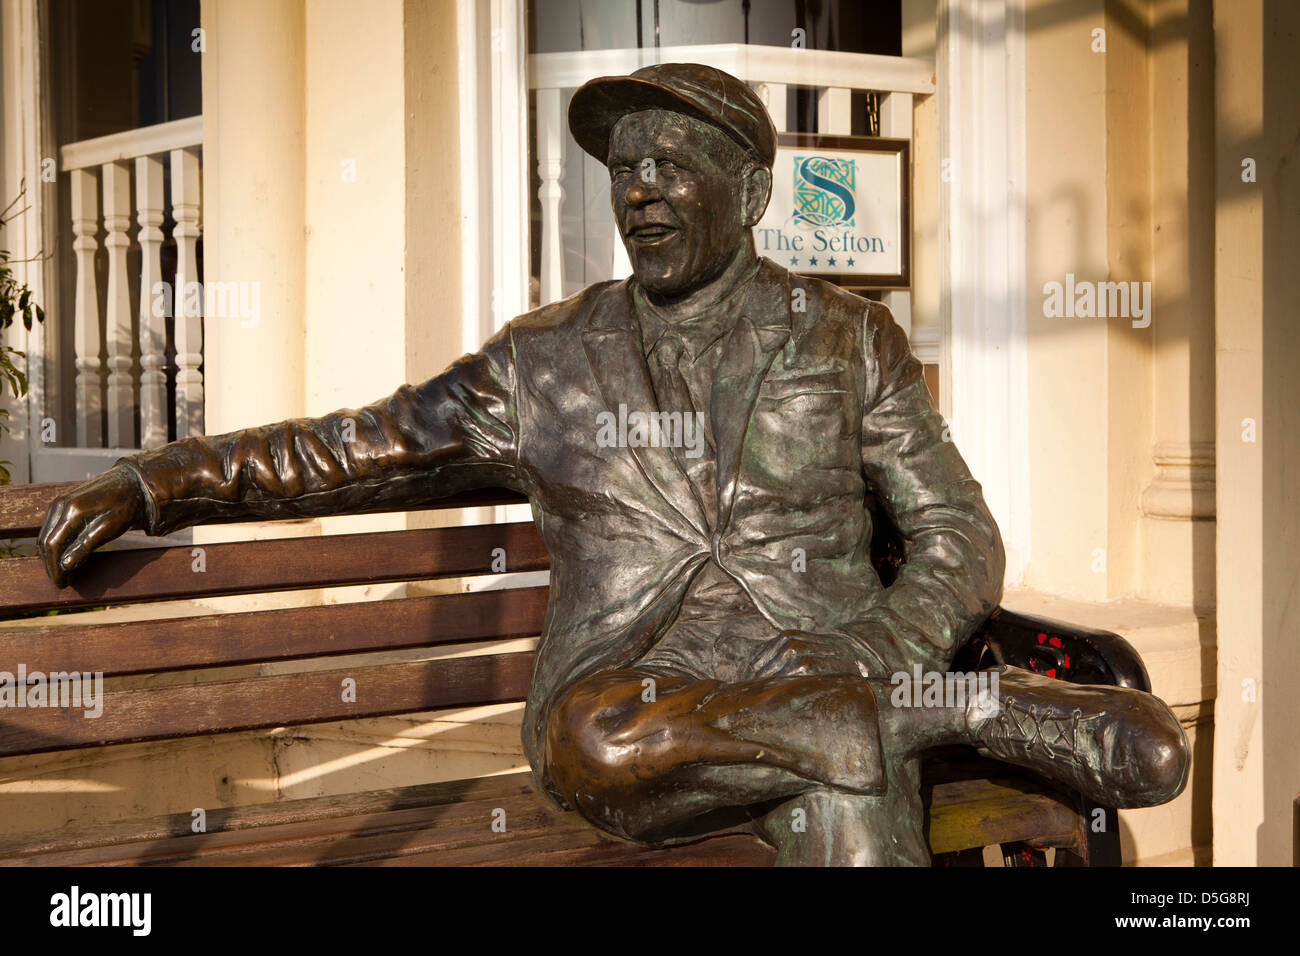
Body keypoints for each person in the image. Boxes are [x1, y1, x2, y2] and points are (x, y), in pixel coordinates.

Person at [39, 63, 1189, 865]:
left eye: (670, 163)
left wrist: (880, 644)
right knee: (594, 738)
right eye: (623, 167)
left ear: (750, 192)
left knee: (848, 792)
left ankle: (873, 709)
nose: (636, 187)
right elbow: (349, 450)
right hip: (643, 699)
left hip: (830, 660)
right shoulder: (547, 362)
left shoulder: (843, 336)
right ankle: (939, 711)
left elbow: (954, 530)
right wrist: (160, 476)